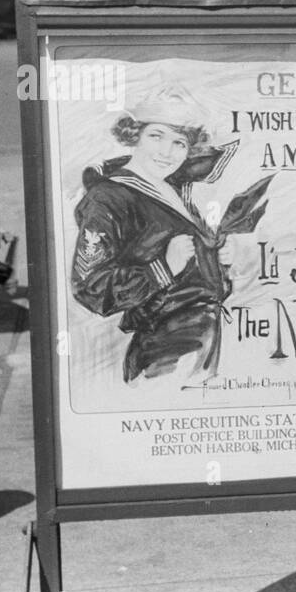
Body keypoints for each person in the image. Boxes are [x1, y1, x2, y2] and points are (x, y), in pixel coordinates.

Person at [70, 88, 240, 383]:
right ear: (134, 134)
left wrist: (218, 255)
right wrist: (163, 267)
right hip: (164, 344)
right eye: (156, 136)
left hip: (200, 335)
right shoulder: (109, 197)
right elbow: (90, 286)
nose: (166, 152)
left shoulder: (172, 188)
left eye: (179, 143)